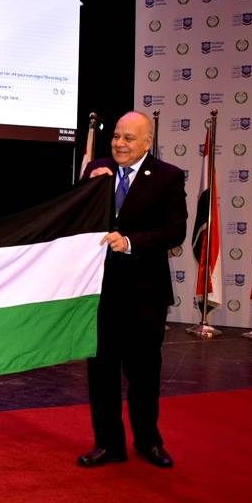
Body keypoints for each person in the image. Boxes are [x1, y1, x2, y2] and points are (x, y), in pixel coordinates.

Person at [78, 111, 187, 469]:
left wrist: (130, 242)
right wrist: (88, 189)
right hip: (100, 293)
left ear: (147, 142)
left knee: (144, 373)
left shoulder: (168, 177)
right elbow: (76, 219)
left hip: (145, 294)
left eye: (128, 138)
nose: (119, 144)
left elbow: (175, 232)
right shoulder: (98, 169)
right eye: (116, 136)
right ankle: (108, 444)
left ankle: (148, 441)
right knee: (102, 372)